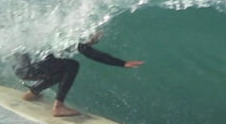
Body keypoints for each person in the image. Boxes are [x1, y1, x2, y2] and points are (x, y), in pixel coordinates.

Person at [14, 32, 143, 117]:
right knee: (72, 65)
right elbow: (92, 54)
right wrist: (123, 63)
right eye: (95, 39)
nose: (95, 42)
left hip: (22, 69)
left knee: (60, 69)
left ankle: (32, 93)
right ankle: (58, 107)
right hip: (29, 68)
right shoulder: (74, 36)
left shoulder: (58, 31)